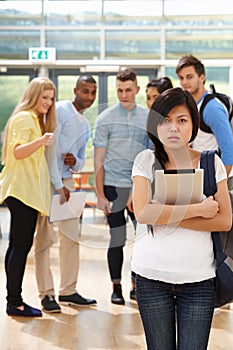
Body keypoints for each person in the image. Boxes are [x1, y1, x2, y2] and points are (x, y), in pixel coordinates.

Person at [131, 87, 232, 349]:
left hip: (199, 279)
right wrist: (198, 210)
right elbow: (142, 213)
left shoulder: (211, 163)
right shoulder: (145, 161)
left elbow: (224, 221)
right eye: (165, 120)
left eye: (182, 120)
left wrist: (162, 215)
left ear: (193, 125)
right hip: (151, 277)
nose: (173, 128)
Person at [34, 74, 97, 313]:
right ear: (75, 90)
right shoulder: (59, 110)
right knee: (43, 239)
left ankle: (68, 290)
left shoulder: (85, 124)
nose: (89, 97)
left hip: (67, 181)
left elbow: (79, 163)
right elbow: (49, 152)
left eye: (93, 92)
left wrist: (76, 161)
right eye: (85, 91)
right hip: (48, 182)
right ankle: (46, 294)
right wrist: (57, 184)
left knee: (71, 237)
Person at [0, 77, 57, 317]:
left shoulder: (33, 119)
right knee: (20, 247)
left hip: (25, 193)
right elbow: (17, 151)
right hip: (22, 192)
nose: (48, 102)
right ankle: (15, 302)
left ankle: (14, 300)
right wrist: (42, 141)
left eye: (51, 98)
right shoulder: (25, 118)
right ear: (33, 96)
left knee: (18, 246)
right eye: (44, 97)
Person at [93, 67, 149, 305]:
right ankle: (116, 287)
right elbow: (98, 160)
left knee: (145, 238)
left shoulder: (148, 117)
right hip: (112, 186)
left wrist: (139, 189)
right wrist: (99, 195)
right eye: (119, 90)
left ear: (137, 89)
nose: (124, 94)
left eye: (128, 90)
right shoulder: (104, 118)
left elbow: (151, 156)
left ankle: (137, 284)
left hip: (139, 186)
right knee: (117, 239)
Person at [176, 54, 233, 177]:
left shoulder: (212, 108)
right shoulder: (192, 105)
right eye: (181, 78)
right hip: (204, 175)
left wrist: (219, 184)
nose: (184, 82)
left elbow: (228, 149)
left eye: (189, 77)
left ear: (202, 77)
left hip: (220, 177)